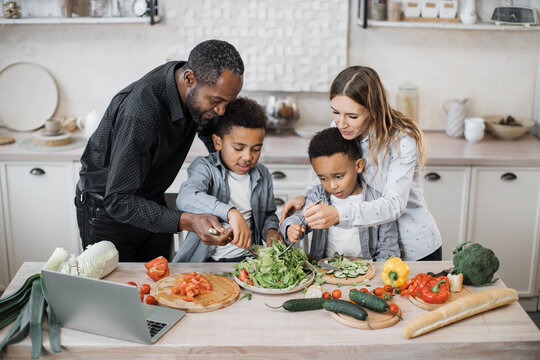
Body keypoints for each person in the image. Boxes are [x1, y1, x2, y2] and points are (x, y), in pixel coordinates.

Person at [75, 39, 245, 262]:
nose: (221, 110)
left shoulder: (195, 88)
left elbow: (213, 137)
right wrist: (190, 220)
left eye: (227, 102)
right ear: (189, 79)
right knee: (119, 293)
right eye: (216, 101)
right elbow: (118, 200)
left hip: (150, 200)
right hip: (107, 212)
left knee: (160, 288)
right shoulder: (141, 113)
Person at [281, 66, 442, 261]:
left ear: (373, 110)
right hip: (374, 251)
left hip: (415, 250)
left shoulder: (402, 141)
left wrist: (339, 214)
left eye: (352, 116)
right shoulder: (343, 129)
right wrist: (304, 197)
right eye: (336, 112)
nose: (341, 123)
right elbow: (328, 172)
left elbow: (394, 205)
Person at [172, 97, 282, 262]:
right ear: (218, 142)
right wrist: (231, 212)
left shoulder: (262, 174)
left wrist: (271, 230)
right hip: (205, 262)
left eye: (256, 149)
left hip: (248, 261)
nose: (247, 157)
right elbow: (186, 197)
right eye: (239, 148)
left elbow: (268, 214)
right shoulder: (205, 167)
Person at [280, 127, 399, 261]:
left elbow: (389, 250)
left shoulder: (378, 202)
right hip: (324, 270)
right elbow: (297, 218)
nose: (332, 186)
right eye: (323, 178)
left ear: (358, 166)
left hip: (367, 272)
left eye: (338, 176)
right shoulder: (319, 195)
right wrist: (290, 228)